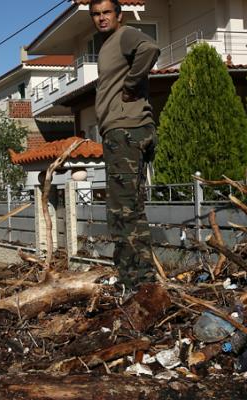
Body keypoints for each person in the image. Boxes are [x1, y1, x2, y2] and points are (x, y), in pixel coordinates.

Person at [89, 0, 160, 291]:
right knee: (131, 209)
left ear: (119, 15)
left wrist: (130, 86)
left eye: (107, 13)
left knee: (121, 213)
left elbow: (150, 49)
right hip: (125, 131)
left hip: (125, 131)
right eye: (96, 14)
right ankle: (143, 283)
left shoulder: (125, 35)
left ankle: (136, 284)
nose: (101, 18)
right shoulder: (107, 44)